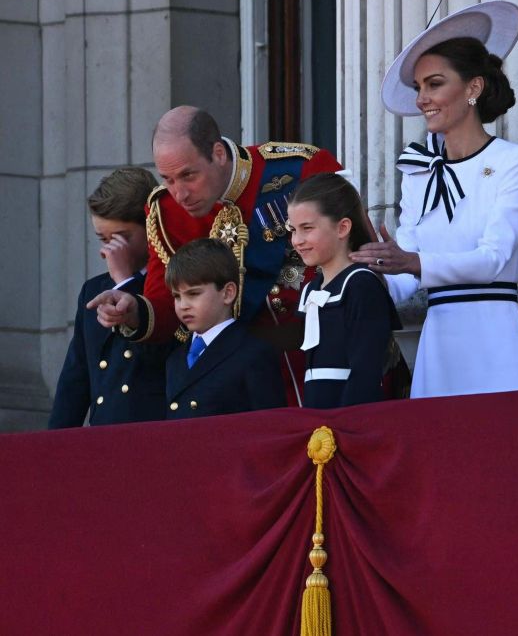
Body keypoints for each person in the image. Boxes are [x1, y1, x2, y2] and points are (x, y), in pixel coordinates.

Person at [350, 0, 518, 398]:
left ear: (473, 87)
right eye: (419, 87)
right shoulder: (418, 170)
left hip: (494, 338)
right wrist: (363, 260)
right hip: (438, 340)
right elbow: (404, 281)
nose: (422, 98)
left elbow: (495, 259)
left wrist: (412, 261)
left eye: (434, 84)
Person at [87, 107, 341, 405]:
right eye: (167, 179)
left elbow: (354, 262)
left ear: (218, 153)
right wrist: (135, 311)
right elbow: (166, 304)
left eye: (188, 175)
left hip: (323, 364)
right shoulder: (166, 213)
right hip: (237, 387)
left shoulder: (301, 169)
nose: (179, 193)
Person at [48, 168, 174, 428]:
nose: (110, 249)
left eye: (122, 238)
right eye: (104, 239)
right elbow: (76, 377)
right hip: (104, 436)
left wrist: (125, 283)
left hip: (151, 434)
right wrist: (53, 445)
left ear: (150, 227)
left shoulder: (174, 284)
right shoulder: (93, 290)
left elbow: (155, 350)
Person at [286, 173, 401, 408]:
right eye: (293, 230)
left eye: (307, 228)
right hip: (318, 422)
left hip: (349, 422)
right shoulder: (312, 289)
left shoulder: (361, 285)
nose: (297, 240)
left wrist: (343, 427)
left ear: (342, 227)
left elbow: (366, 372)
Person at [163, 238, 286, 418]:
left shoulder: (253, 353)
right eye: (177, 296)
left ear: (228, 293)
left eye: (193, 294)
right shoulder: (175, 359)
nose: (183, 305)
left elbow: (268, 427)